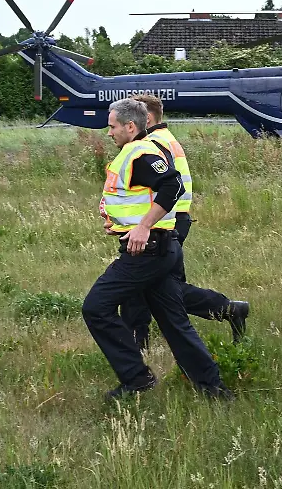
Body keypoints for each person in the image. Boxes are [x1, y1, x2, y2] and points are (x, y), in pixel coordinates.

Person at [84, 97, 231, 399]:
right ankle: (213, 388)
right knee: (174, 322)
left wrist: (143, 227)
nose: (108, 132)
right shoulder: (136, 152)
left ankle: (136, 378)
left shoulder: (141, 153)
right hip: (158, 248)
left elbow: (173, 185)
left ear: (130, 126)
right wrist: (121, 224)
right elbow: (138, 198)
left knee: (96, 307)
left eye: (112, 127)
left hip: (147, 252)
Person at [114, 94, 249, 348]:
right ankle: (228, 309)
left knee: (146, 288)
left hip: (164, 224)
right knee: (162, 288)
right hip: (173, 221)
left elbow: (165, 188)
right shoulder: (166, 138)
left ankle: (136, 344)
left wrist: (142, 224)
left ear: (146, 118)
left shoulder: (151, 144)